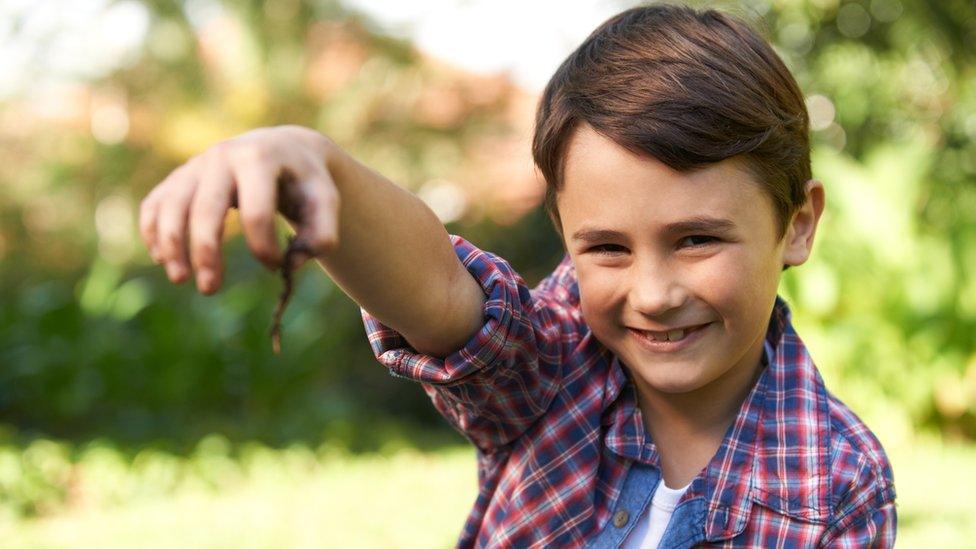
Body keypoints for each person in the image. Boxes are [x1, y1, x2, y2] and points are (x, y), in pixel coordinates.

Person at [138, 3, 896, 547]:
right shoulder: (551, 368)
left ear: (796, 224)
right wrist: (311, 162)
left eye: (696, 238)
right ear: (564, 234)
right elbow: (436, 290)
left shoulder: (838, 480)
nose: (655, 293)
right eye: (607, 249)